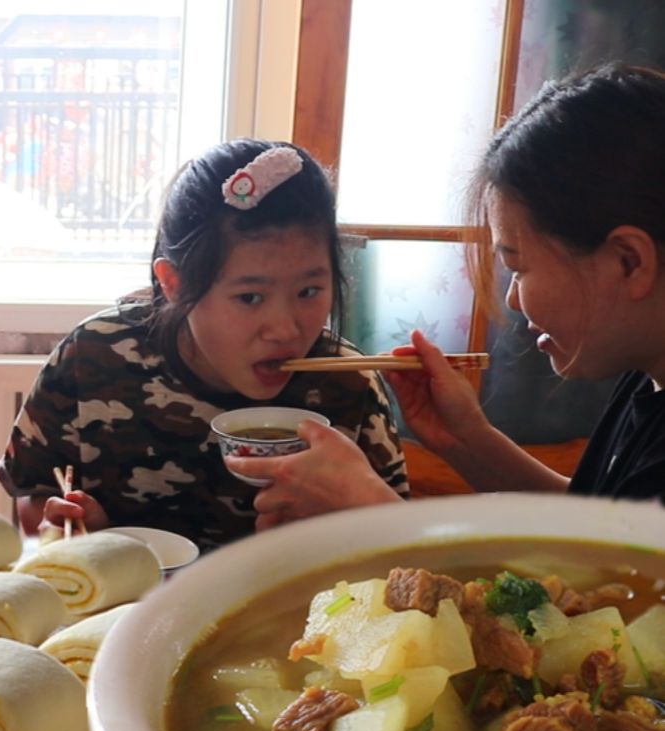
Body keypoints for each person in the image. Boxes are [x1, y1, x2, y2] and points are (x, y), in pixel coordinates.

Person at [231, 63, 665, 526]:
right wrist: (466, 441)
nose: (514, 301)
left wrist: (373, 518)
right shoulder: (647, 367)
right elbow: (595, 526)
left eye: (518, 267)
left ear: (628, 262)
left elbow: (594, 587)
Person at [0, 139, 408, 552]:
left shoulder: (350, 382)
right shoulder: (92, 357)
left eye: (309, 290)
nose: (285, 330)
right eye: (250, 298)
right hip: (126, 610)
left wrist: (343, 528)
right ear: (173, 284)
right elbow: (31, 499)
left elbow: (395, 548)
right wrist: (81, 532)